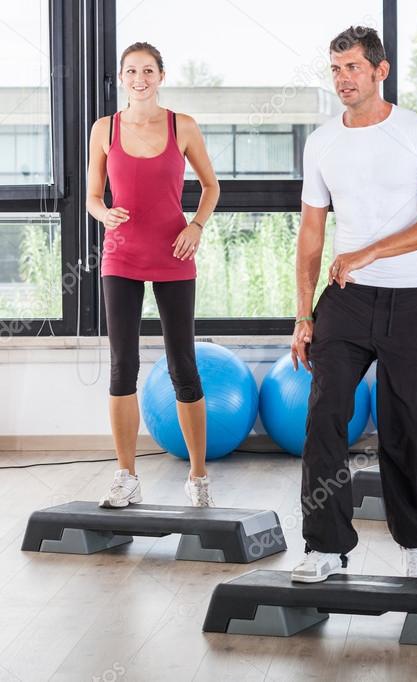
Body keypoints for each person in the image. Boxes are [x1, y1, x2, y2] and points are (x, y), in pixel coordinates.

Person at [289, 26, 417, 583]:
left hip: (408, 299)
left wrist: (367, 253)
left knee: (408, 423)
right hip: (344, 299)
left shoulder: (415, 133)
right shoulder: (321, 142)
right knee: (323, 417)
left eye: (353, 68)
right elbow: (311, 235)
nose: (343, 79)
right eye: (335, 69)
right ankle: (325, 548)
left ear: (380, 71)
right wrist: (303, 314)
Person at [85, 42, 220, 508]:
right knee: (123, 365)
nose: (139, 78)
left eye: (147, 70)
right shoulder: (105, 129)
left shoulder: (182, 125)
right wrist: (104, 214)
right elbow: (91, 197)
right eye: (131, 71)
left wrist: (196, 226)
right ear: (121, 78)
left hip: (174, 252)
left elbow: (210, 186)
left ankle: (198, 479)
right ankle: (126, 475)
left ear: (161, 75)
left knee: (184, 363)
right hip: (121, 256)